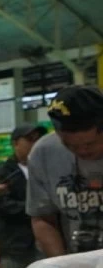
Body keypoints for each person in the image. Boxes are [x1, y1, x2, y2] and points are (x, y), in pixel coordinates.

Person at [27, 85, 103, 258]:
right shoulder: (43, 153)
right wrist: (63, 265)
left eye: (89, 144)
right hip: (78, 261)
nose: (82, 151)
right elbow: (43, 218)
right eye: (69, 145)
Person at [0, 123, 47, 268]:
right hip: (15, 246)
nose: (35, 144)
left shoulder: (44, 169)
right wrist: (38, 209)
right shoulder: (4, 172)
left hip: (43, 244)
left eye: (37, 139)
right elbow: (5, 206)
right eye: (29, 140)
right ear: (16, 143)